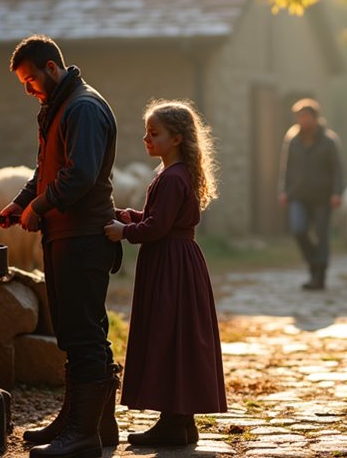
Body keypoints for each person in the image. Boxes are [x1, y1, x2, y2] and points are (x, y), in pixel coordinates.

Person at [0, 35, 122, 458]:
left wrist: (40, 206)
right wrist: (22, 200)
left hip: (83, 237)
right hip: (66, 234)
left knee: (83, 334)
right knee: (77, 332)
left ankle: (83, 435)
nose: (28, 89)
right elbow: (47, 170)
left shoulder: (82, 108)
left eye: (30, 79)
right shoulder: (59, 107)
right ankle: (89, 423)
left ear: (51, 67)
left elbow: (80, 174)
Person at [104, 100, 227, 447]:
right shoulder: (173, 173)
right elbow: (159, 218)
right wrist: (128, 215)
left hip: (171, 265)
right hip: (177, 261)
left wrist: (124, 232)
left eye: (154, 133)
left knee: (169, 334)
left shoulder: (172, 178)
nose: (147, 138)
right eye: (147, 132)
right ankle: (180, 422)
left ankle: (174, 423)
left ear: (176, 138)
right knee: (176, 337)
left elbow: (157, 227)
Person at [278, 98, 344, 290]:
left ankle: (319, 276)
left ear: (316, 118)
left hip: (322, 196)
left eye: (307, 117)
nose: (303, 120)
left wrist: (337, 192)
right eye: (300, 117)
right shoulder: (293, 140)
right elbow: (286, 167)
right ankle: (315, 262)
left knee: (322, 234)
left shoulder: (329, 141)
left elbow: (337, 169)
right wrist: (283, 190)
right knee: (298, 230)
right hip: (298, 194)